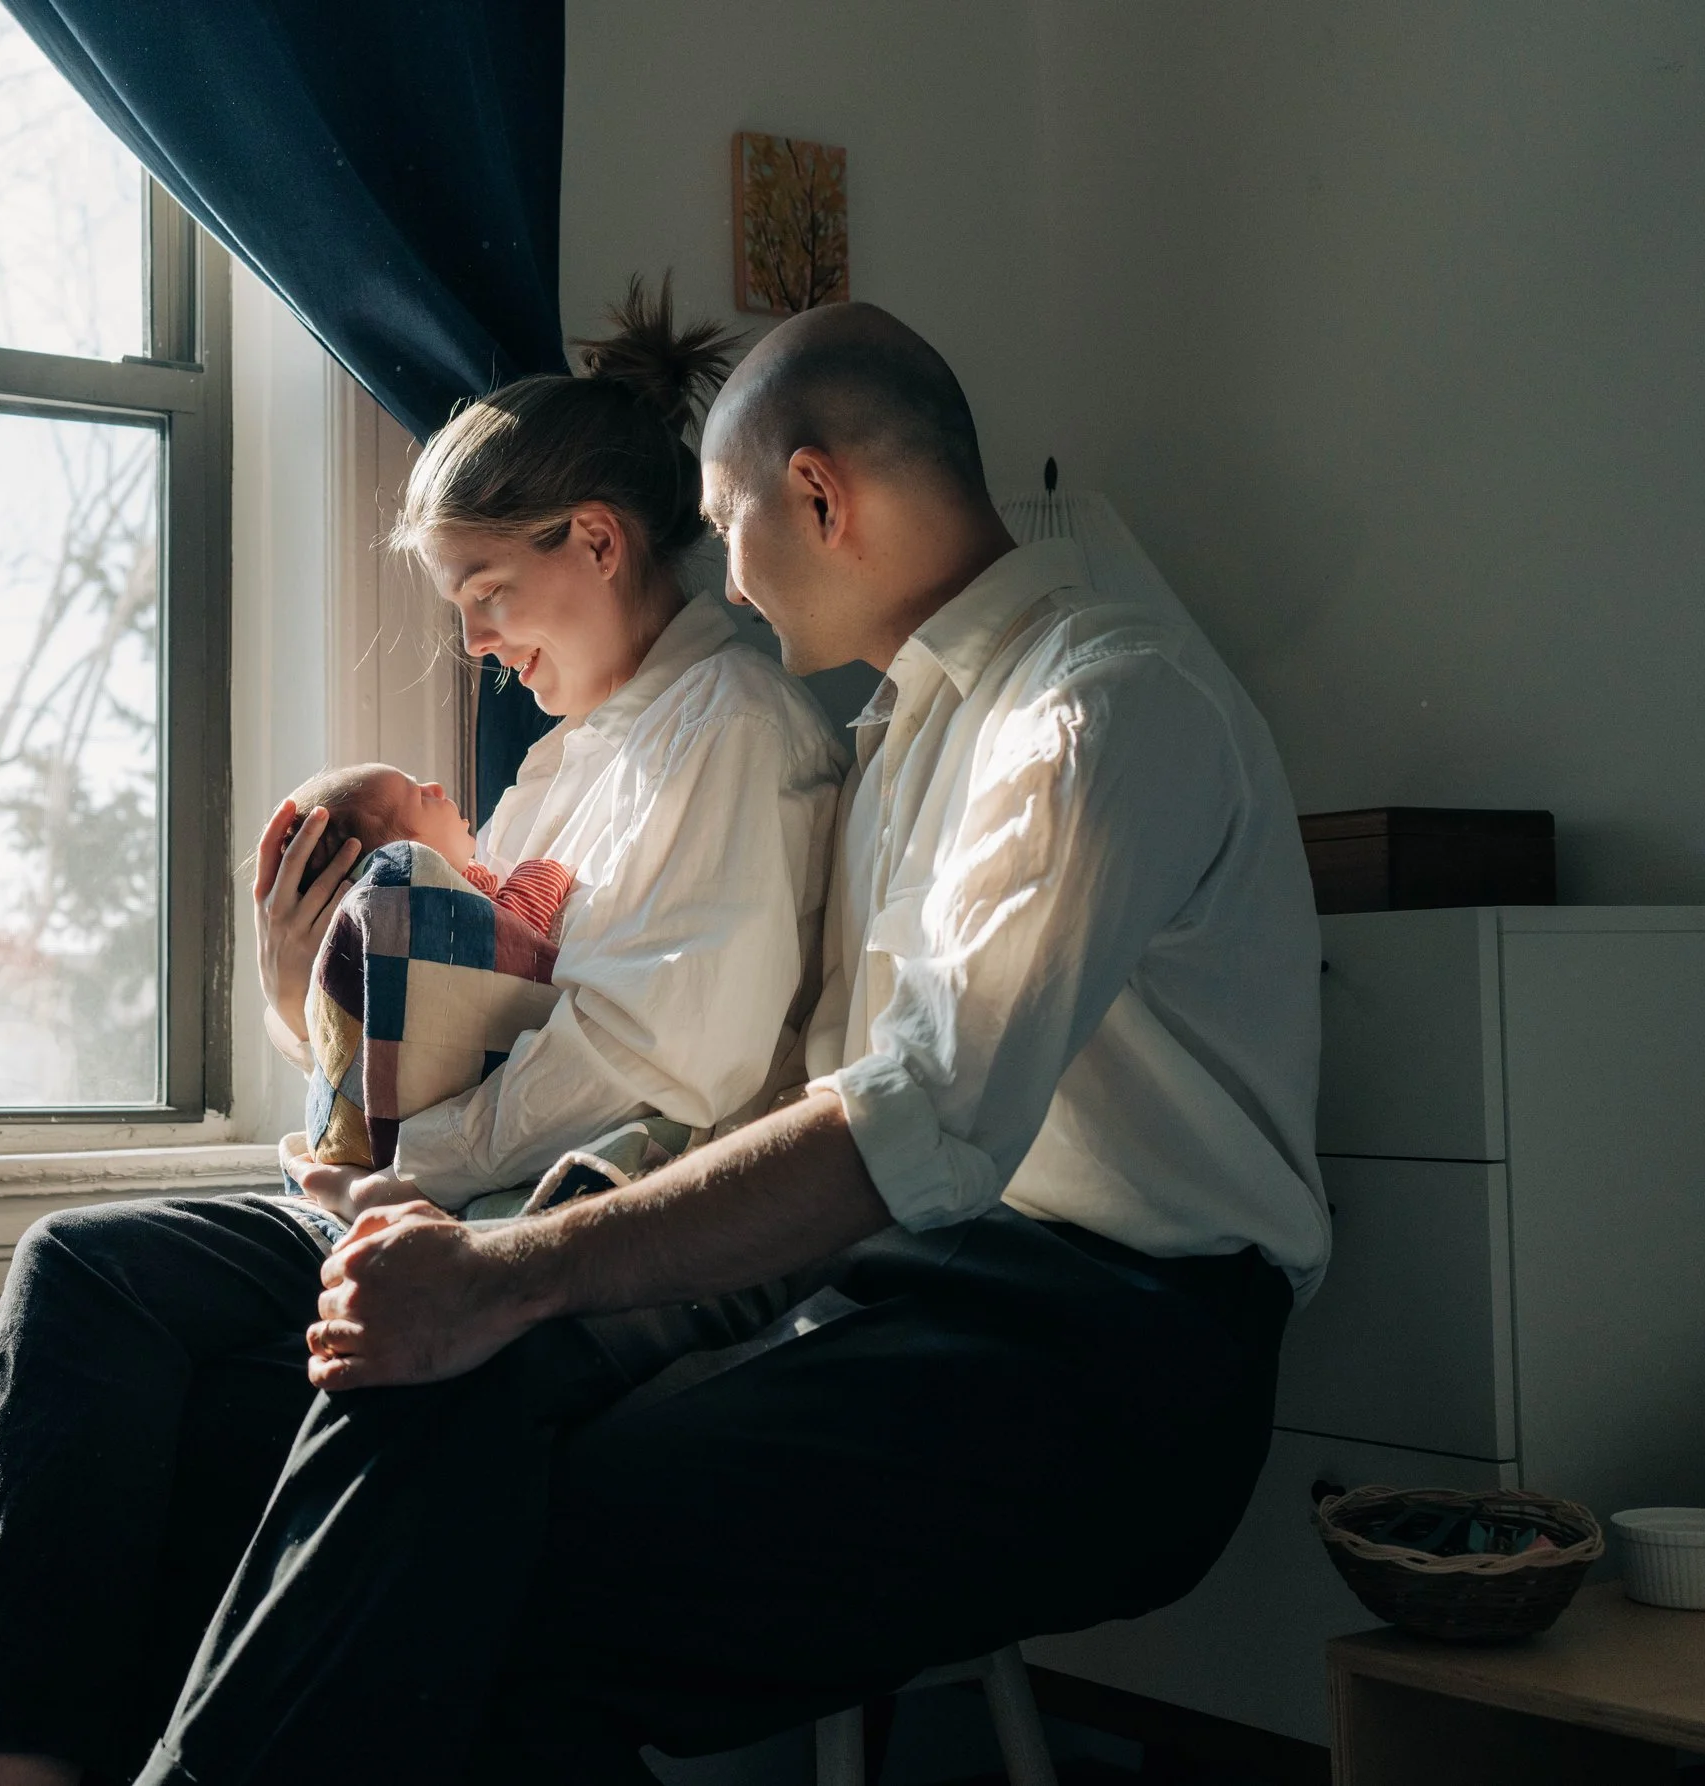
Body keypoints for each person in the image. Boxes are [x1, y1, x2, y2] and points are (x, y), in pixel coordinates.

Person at [127, 301, 1333, 1786]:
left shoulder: (1094, 707)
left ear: (817, 496)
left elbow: (914, 1115)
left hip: (1116, 1352)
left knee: (499, 1570)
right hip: (907, 1282)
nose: (724, 572)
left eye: (720, 520)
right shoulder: (905, 731)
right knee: (463, 1470)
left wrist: (512, 1267)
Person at [0, 282, 849, 1786]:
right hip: (445, 1186)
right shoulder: (559, 768)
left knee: (225, 1410)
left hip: (573, 1214)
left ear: (596, 541)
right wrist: (311, 1003)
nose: (475, 645)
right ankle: (14, 1767)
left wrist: (389, 1165)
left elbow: (660, 1064)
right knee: (82, 1273)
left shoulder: (735, 732)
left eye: (486, 594)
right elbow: (461, 1030)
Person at [275, 761, 574, 940]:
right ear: (404, 859)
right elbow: (514, 933)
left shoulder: (468, 880)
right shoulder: (443, 914)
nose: (436, 788)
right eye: (420, 798)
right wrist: (540, 874)